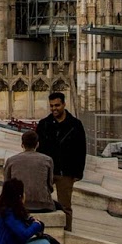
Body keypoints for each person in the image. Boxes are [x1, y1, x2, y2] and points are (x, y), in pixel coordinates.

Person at [36, 91, 87, 230]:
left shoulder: (75, 125)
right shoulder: (44, 124)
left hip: (66, 172)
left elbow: (81, 149)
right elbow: (37, 149)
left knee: (65, 206)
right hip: (47, 171)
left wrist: (78, 173)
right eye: (51, 106)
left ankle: (67, 233)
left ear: (64, 104)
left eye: (57, 105)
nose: (54, 109)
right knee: (40, 204)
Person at [4, 129, 58, 213]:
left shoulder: (11, 160)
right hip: (42, 204)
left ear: (22, 145)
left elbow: (7, 184)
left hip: (18, 203)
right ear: (37, 144)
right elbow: (50, 186)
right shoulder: (47, 160)